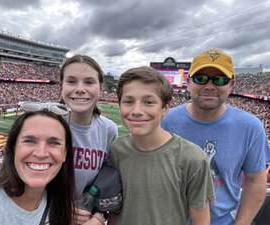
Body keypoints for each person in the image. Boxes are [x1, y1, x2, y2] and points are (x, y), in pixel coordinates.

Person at [162, 48, 269, 225]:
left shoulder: (250, 127)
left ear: (231, 85)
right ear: (189, 82)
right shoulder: (166, 121)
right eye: (200, 78)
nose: (209, 86)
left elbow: (256, 181)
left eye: (219, 80)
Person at [108, 66, 215, 225]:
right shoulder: (117, 150)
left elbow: (201, 220)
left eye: (149, 102)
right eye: (128, 101)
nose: (137, 111)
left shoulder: (192, 158)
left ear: (165, 108)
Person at [0, 104, 76, 225]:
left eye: (54, 143)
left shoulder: (59, 201)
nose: (41, 153)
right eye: (29, 141)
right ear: (14, 148)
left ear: (65, 154)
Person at [60, 55, 118, 224]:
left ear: (100, 87)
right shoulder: (49, 124)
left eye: (89, 82)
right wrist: (62, 209)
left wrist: (100, 216)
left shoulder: (109, 129)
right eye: (71, 81)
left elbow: (110, 179)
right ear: (61, 87)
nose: (80, 89)